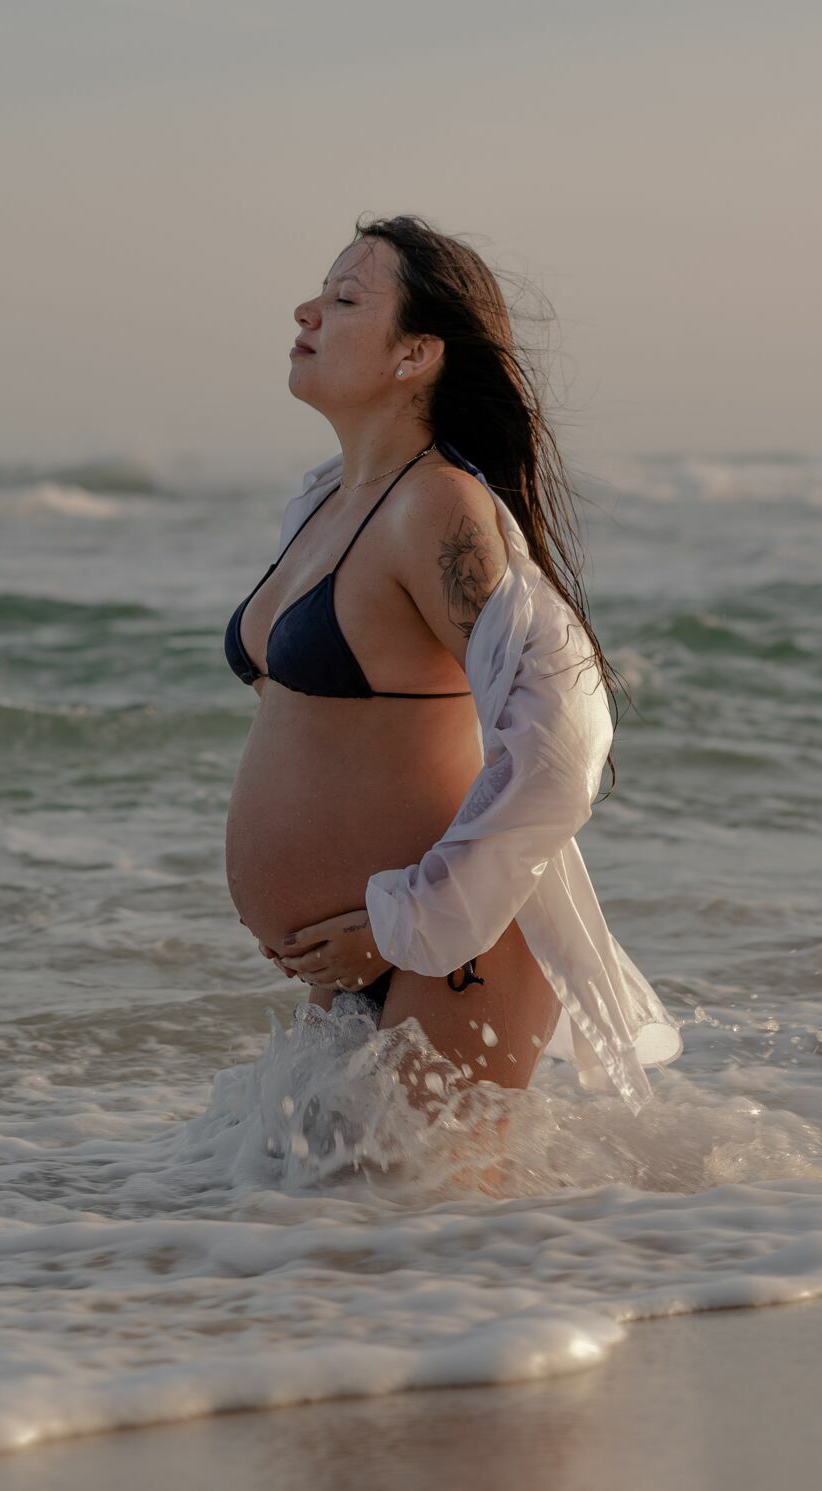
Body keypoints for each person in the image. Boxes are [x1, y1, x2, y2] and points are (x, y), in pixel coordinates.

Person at [224, 215, 682, 1115]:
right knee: (344, 1246)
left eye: (346, 299)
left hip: (444, 952)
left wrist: (414, 926)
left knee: (420, 1243)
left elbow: (565, 736)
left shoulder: (435, 507)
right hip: (371, 955)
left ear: (415, 355)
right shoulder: (325, 500)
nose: (306, 311)